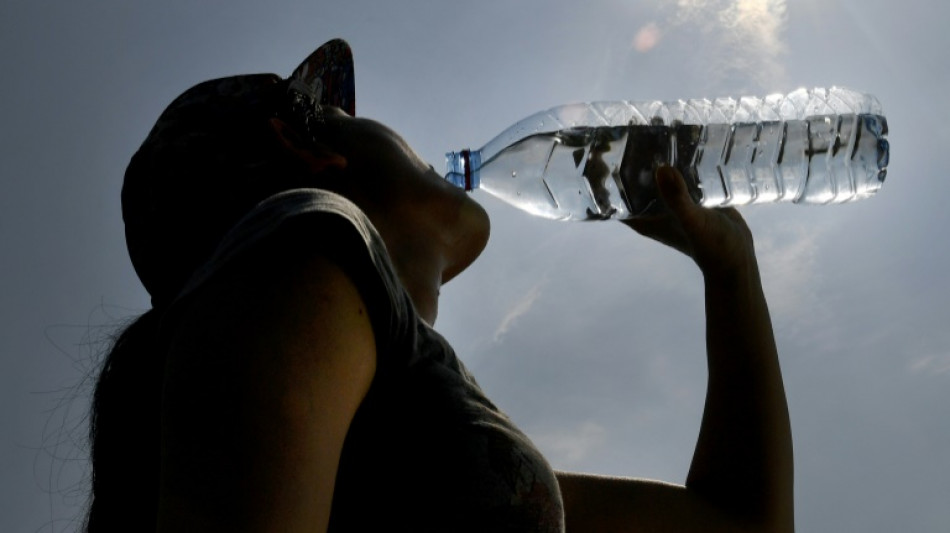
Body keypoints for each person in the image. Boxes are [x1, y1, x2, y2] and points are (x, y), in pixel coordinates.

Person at [86, 39, 793, 532]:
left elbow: (740, 526)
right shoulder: (310, 252)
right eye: (353, 117)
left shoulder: (448, 456)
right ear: (310, 145)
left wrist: (730, 268)